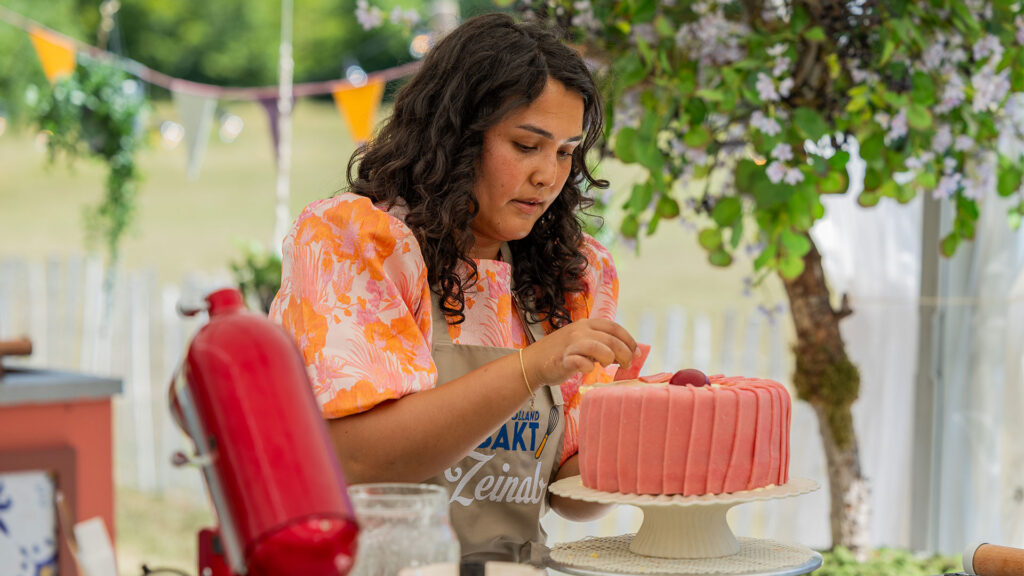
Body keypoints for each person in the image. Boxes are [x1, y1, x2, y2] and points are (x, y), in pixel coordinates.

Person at [269, 12, 639, 564]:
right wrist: (531, 367)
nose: (548, 175)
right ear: (456, 137)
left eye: (565, 151)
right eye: (526, 145)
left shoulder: (572, 272)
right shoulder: (357, 243)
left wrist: (649, 434)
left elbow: (568, 493)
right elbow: (358, 459)